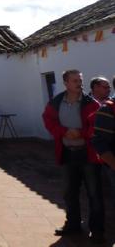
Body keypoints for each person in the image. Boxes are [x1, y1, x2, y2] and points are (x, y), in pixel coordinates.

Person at [42, 70, 104, 243]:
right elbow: (48, 119)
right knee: (69, 193)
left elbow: (96, 125)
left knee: (94, 194)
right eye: (75, 80)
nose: (79, 83)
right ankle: (73, 225)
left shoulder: (91, 103)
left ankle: (97, 230)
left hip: (88, 155)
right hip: (67, 153)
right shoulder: (56, 103)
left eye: (81, 80)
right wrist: (63, 132)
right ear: (66, 83)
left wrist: (82, 134)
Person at [91, 76, 115, 210]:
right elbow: (99, 141)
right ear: (95, 88)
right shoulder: (107, 108)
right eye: (105, 87)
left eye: (109, 87)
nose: (108, 89)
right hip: (94, 155)